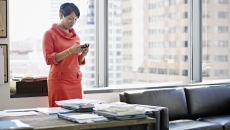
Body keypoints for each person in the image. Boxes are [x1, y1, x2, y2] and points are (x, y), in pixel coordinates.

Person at [42, 2, 88, 107]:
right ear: (61, 16)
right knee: (59, 113)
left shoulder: (76, 37)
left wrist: (83, 55)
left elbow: (75, 61)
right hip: (59, 81)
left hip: (75, 80)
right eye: (70, 18)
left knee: (78, 113)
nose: (73, 22)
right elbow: (49, 59)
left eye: (76, 19)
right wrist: (70, 51)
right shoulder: (49, 34)